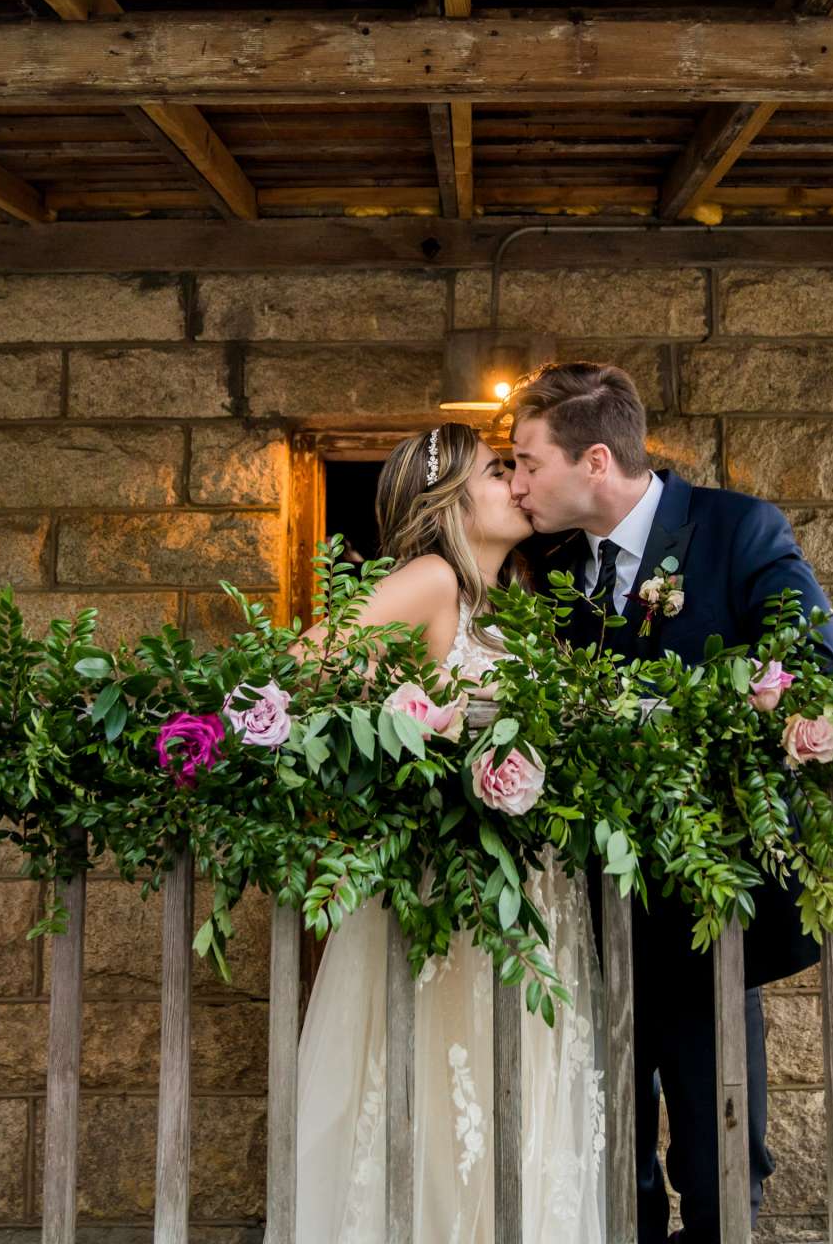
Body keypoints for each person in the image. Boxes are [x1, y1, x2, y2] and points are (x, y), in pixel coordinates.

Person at [508, 362, 833, 1244]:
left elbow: (816, 667)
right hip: (587, 899)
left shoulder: (737, 529)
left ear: (592, 460)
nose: (516, 482)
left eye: (526, 461)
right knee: (609, 1137)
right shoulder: (544, 568)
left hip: (710, 900)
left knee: (718, 1142)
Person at [293, 422, 609, 1244]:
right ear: (448, 502)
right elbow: (308, 663)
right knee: (444, 1088)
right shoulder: (432, 580)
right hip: (456, 893)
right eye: (498, 471)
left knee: (517, 1091)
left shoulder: (506, 602)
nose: (517, 484)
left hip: (530, 889)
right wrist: (406, 734)